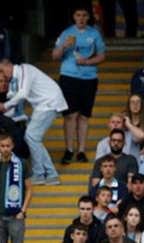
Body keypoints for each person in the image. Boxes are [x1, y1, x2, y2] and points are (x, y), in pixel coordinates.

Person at [0, 60, 68, 186]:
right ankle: (51, 174)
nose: (2, 74)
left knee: (31, 136)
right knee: (32, 138)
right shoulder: (17, 77)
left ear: (9, 65)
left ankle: (40, 174)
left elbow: (22, 94)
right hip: (44, 104)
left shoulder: (23, 69)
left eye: (2, 70)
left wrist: (5, 105)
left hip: (49, 102)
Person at [52, 6, 105, 165]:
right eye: (78, 15)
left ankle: (81, 150)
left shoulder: (94, 34)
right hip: (69, 76)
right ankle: (69, 149)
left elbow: (102, 56)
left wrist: (86, 62)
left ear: (88, 17)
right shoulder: (66, 33)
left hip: (89, 77)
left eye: (84, 15)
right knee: (69, 115)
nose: (81, 18)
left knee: (84, 115)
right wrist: (64, 46)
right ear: (74, 17)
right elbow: (55, 56)